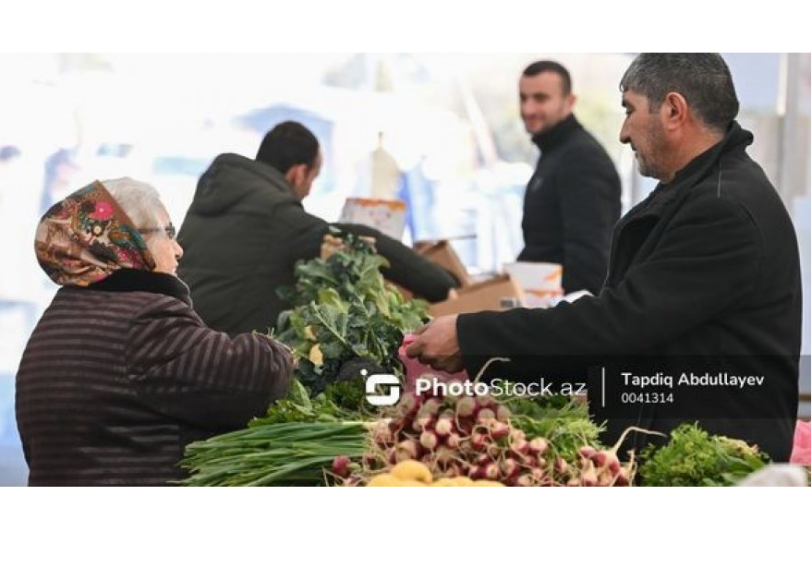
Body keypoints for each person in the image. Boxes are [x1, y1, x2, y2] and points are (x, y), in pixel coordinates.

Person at [407, 54, 802, 462]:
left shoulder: (723, 210)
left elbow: (618, 324)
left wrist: (472, 338)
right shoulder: (701, 191)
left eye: (630, 110)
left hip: (706, 459)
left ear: (673, 110)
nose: (623, 132)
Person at [16, 178, 292, 486]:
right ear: (125, 240)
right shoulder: (143, 321)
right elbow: (257, 375)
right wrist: (283, 352)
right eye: (168, 233)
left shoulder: (59, 318)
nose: (178, 250)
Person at [177, 121, 459, 337]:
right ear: (299, 173)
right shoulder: (277, 215)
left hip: (184, 336)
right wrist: (441, 283)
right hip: (228, 352)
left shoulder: (212, 199)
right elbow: (357, 238)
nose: (309, 190)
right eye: (313, 178)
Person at [517, 60, 621, 295]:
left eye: (541, 98)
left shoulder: (581, 158)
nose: (528, 109)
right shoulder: (556, 153)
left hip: (561, 316)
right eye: (523, 98)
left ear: (570, 101)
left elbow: (590, 261)